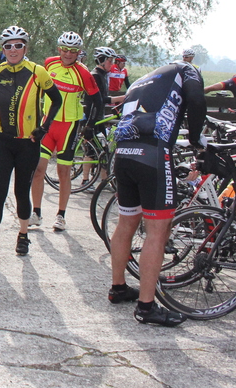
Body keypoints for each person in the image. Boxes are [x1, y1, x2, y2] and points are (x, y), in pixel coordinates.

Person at [109, 60, 206, 326]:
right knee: (158, 231)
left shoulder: (146, 79)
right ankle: (146, 306)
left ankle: (118, 288)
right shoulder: (188, 70)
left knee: (126, 223)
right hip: (152, 154)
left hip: (123, 153)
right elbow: (197, 99)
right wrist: (196, 139)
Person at [0, 26, 62, 263]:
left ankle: (23, 235)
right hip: (3, 142)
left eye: (18, 45)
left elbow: (56, 100)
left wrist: (44, 128)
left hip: (28, 144)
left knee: (21, 193)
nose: (13, 50)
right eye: (8, 46)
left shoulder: (38, 72)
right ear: (3, 49)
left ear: (25, 47)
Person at [29, 32, 104, 232]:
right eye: (65, 49)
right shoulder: (50, 64)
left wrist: (90, 125)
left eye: (73, 51)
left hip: (69, 126)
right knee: (38, 170)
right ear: (59, 49)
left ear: (79, 52)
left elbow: (97, 101)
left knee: (63, 172)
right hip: (48, 124)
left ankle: (61, 215)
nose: (68, 54)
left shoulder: (84, 73)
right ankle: (36, 213)